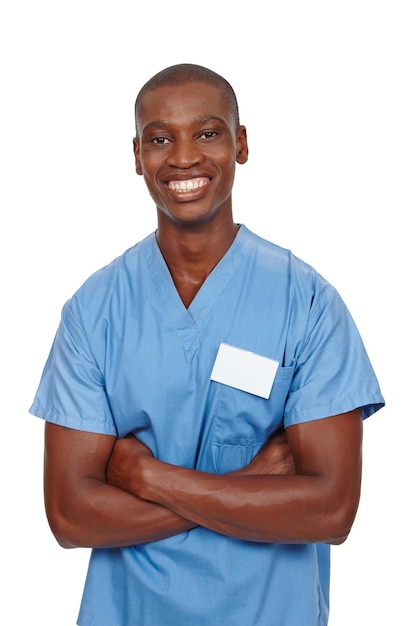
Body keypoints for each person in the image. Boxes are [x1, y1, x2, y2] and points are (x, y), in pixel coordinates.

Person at [29, 63, 385, 626]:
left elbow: (332, 511)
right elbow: (71, 518)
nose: (184, 157)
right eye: (161, 138)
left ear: (241, 144)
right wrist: (247, 486)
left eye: (208, 132)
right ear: (137, 155)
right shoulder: (93, 312)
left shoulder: (308, 302)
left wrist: (148, 478)